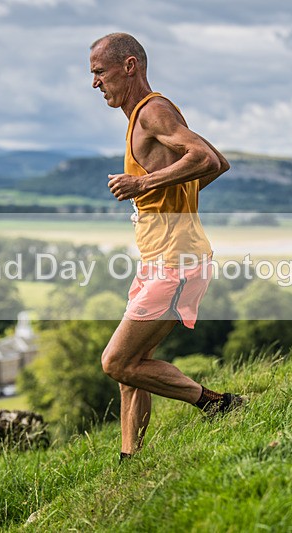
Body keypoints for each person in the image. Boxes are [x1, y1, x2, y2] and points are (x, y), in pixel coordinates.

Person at [89, 32, 243, 462]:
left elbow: (205, 159)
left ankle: (217, 404)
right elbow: (218, 161)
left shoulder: (152, 111)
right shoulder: (144, 114)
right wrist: (170, 197)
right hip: (158, 260)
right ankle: (129, 459)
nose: (95, 83)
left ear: (130, 66)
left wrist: (143, 185)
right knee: (133, 368)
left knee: (116, 361)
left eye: (100, 72)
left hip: (177, 262)